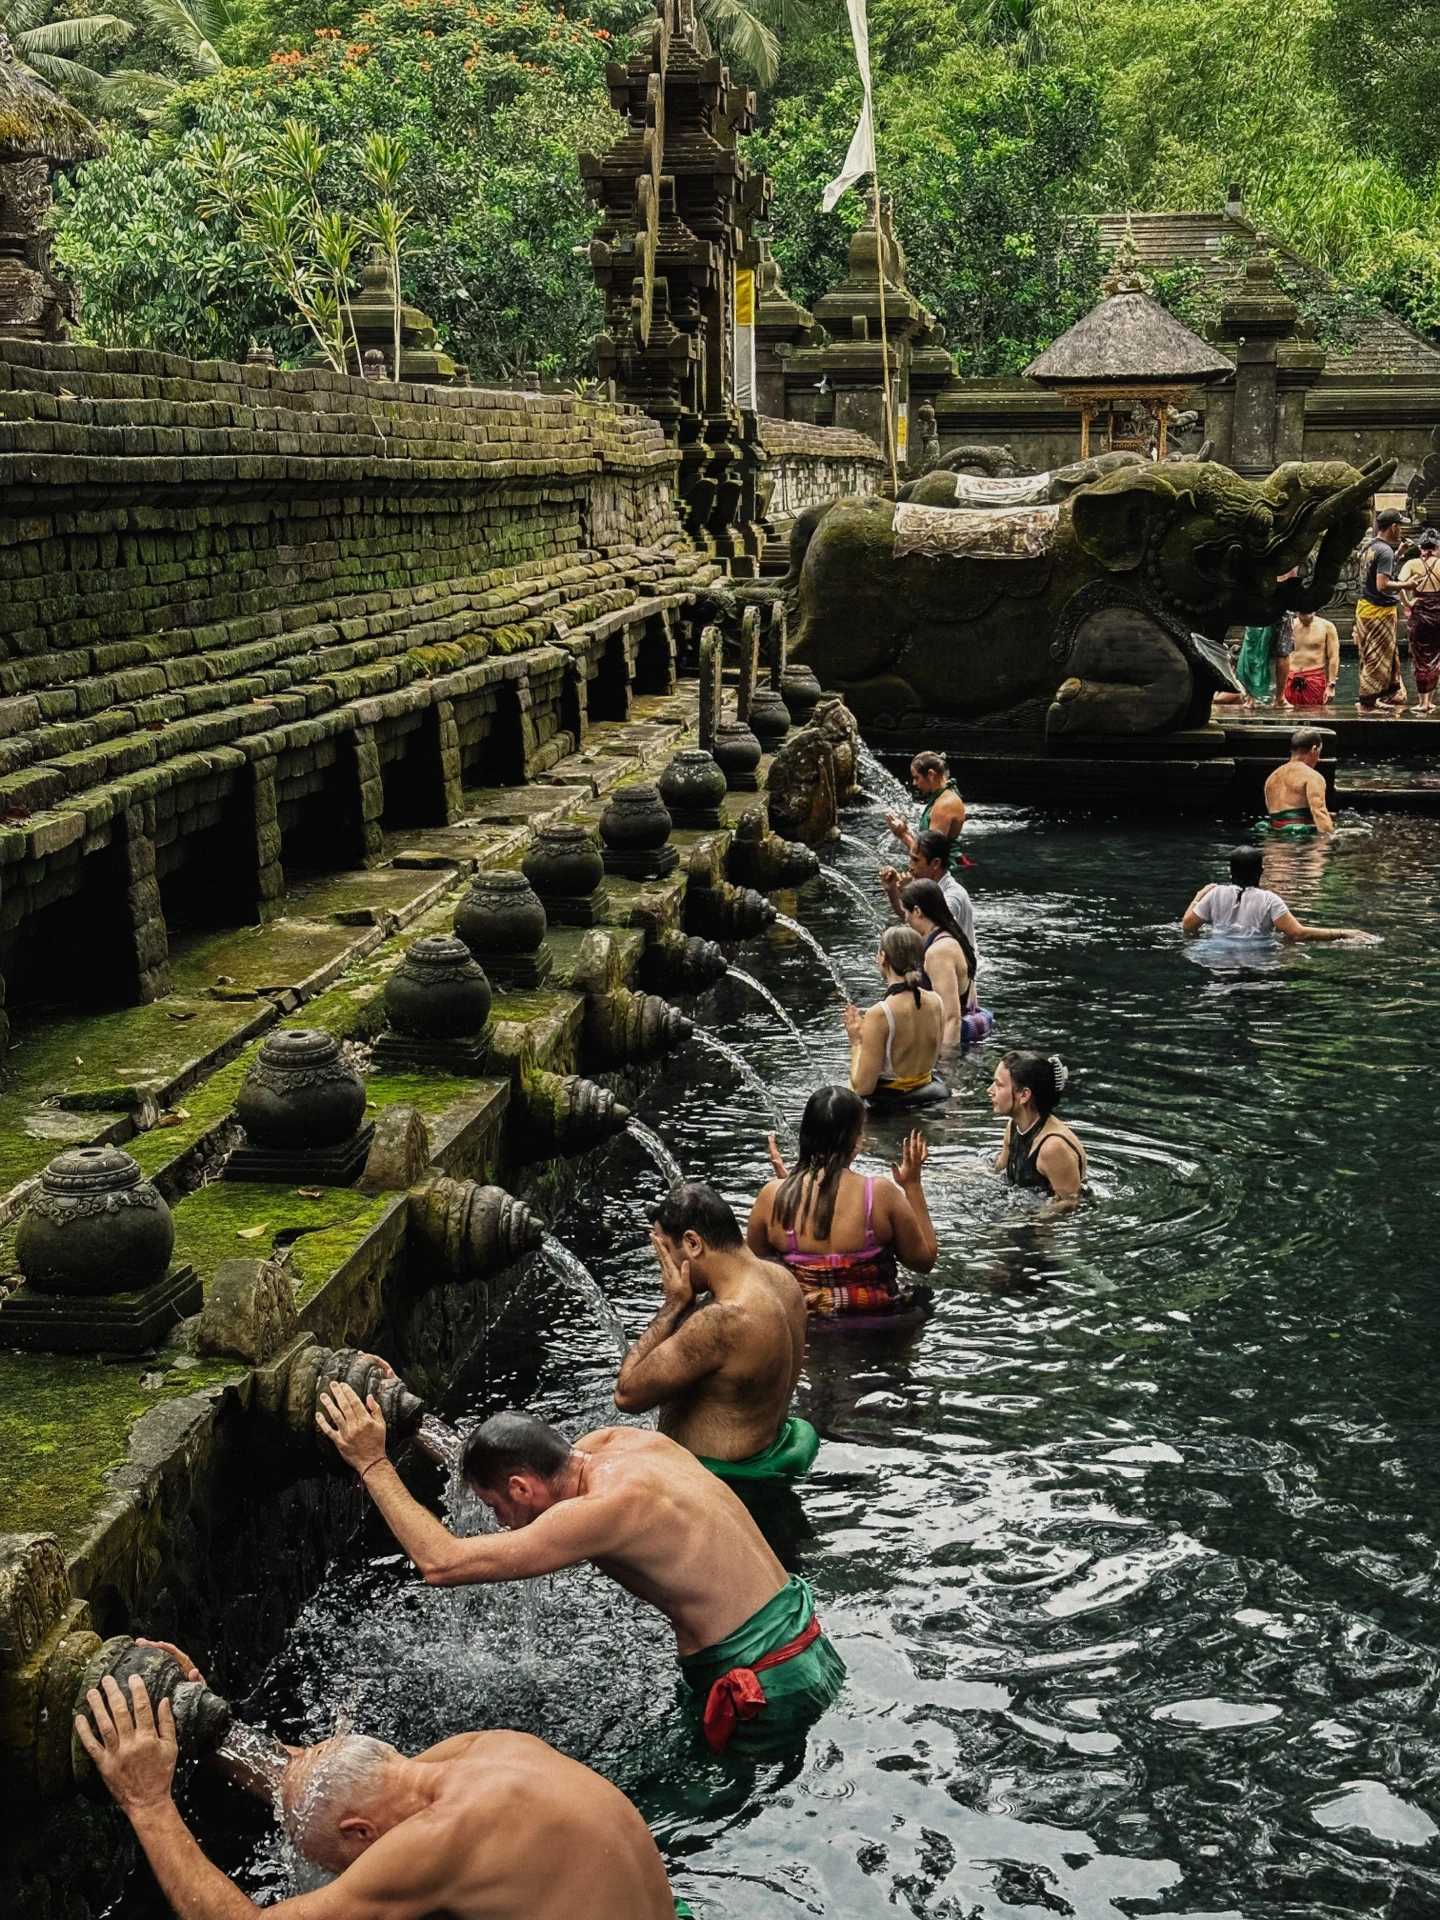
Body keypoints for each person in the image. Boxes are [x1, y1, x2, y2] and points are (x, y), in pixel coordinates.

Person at [317, 1398, 846, 1757]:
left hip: (763, 1684)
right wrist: (406, 1416)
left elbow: (442, 1563)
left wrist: (372, 1462)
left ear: (523, 1489)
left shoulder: (600, 1510)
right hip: (801, 1640)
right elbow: (491, 1458)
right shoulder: (619, 1443)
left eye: (497, 1507)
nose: (499, 1521)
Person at [75, 1656, 685, 1919]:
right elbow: (308, 1778)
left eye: (331, 1861)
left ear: (360, 1833)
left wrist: (146, 1800)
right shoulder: (480, 1752)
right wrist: (206, 1722)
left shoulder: (436, 1841)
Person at [613, 1181, 815, 1487]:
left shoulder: (722, 1320)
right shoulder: (783, 1281)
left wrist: (673, 1305)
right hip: (768, 1454)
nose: (664, 1267)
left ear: (693, 1243)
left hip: (716, 1486)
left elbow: (626, 1394)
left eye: (666, 1252)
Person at [746, 1085, 937, 1322]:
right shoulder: (879, 1194)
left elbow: (755, 1269)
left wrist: (788, 1193)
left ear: (805, 1135)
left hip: (809, 1333)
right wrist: (912, 1186)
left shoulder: (772, 1196)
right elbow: (924, 1261)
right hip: (880, 1334)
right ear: (855, 1139)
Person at [843, 924, 946, 1106]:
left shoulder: (880, 1013)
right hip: (931, 1099)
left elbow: (862, 1088)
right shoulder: (937, 1001)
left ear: (883, 957)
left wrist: (857, 1041)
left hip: (890, 1111)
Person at [1182, 846, 1361, 942]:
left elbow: (1188, 926)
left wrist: (1199, 896)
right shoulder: (1269, 899)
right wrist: (1344, 933)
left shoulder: (1215, 893)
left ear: (1230, 872)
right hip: (1256, 959)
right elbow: (1298, 933)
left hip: (1216, 955)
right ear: (1261, 871)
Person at [989, 1051, 1085, 1207]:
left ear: (1024, 1095)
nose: (990, 1090)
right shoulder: (1014, 1126)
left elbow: (1070, 1202)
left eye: (999, 1085)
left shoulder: (1053, 1147)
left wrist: (1024, 1221)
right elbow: (999, 1169)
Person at [898, 876, 983, 1047]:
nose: (905, 919)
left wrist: (946, 1066)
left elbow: (951, 1018)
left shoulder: (939, 952)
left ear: (917, 911)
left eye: (906, 913)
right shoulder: (949, 935)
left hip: (948, 1047)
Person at [880, 828, 979, 962]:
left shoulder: (953, 895)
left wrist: (908, 892)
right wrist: (892, 889)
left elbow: (932, 928)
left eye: (915, 860)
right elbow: (907, 916)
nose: (910, 867)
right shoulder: (924, 884)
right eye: (910, 859)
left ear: (935, 863)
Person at [1354, 507, 1408, 711]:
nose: (1401, 529)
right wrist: (1407, 585)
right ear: (1393, 527)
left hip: (1365, 607)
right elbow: (1382, 585)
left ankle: (1388, 693)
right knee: (1377, 656)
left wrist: (1398, 555)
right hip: (1378, 610)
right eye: (1400, 526)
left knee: (1377, 653)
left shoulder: (1369, 546)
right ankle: (1369, 698)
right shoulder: (1384, 550)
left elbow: (1376, 572)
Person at [884, 750, 967, 872]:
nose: (914, 783)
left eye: (916, 778)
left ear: (931, 774)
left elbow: (928, 856)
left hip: (940, 877)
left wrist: (902, 834)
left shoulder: (944, 805)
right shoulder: (943, 796)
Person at [1398, 525, 1440, 716]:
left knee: (1421, 658)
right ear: (1437, 547)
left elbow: (1399, 586)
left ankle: (1422, 703)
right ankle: (1430, 702)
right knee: (1436, 657)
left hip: (1420, 613)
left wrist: (1408, 602)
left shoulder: (1412, 564)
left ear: (1421, 547)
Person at [1261, 727, 1334, 836]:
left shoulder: (1271, 778)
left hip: (1274, 836)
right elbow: (1319, 813)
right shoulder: (1312, 776)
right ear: (1314, 749)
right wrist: (1330, 841)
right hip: (1301, 838)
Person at [1282, 608, 1340, 708]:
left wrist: (1331, 685)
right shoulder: (1289, 626)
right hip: (1291, 677)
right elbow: (1280, 655)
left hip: (1314, 678)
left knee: (1315, 713)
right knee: (1288, 714)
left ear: (1314, 611)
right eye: (1302, 615)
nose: (1305, 619)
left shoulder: (1327, 626)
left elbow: (1333, 657)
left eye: (1308, 615)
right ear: (1297, 612)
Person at [1234, 616, 1287, 708]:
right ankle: (1279, 699)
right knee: (1282, 652)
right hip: (1272, 612)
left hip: (1256, 612)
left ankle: (1253, 697)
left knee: (1253, 647)